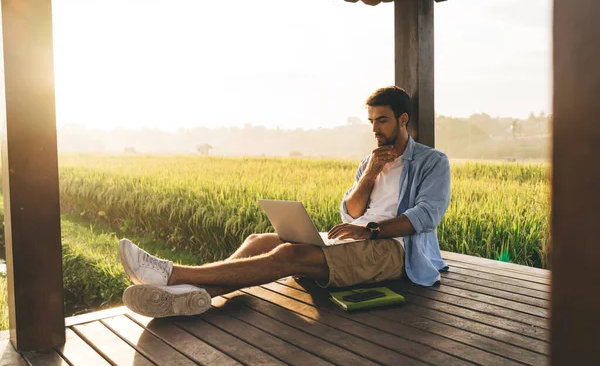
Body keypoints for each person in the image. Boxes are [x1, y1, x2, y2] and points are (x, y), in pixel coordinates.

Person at [118, 86, 451, 318]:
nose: (375, 128)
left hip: (394, 249)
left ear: (403, 119)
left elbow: (426, 214)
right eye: (372, 121)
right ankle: (191, 296)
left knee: (290, 254)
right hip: (355, 237)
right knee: (258, 240)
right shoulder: (370, 161)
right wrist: (370, 174)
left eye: (383, 120)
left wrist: (372, 231)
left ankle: (172, 274)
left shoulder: (432, 162)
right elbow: (349, 211)